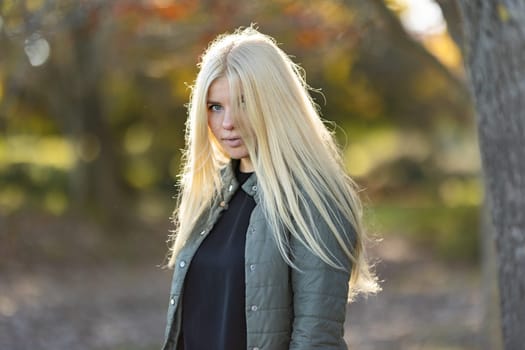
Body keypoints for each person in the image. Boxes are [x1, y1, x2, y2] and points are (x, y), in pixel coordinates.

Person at [162, 26, 379, 350]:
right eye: (215, 106)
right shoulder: (212, 194)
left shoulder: (313, 198)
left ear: (275, 103)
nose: (227, 122)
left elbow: (316, 339)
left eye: (244, 102)